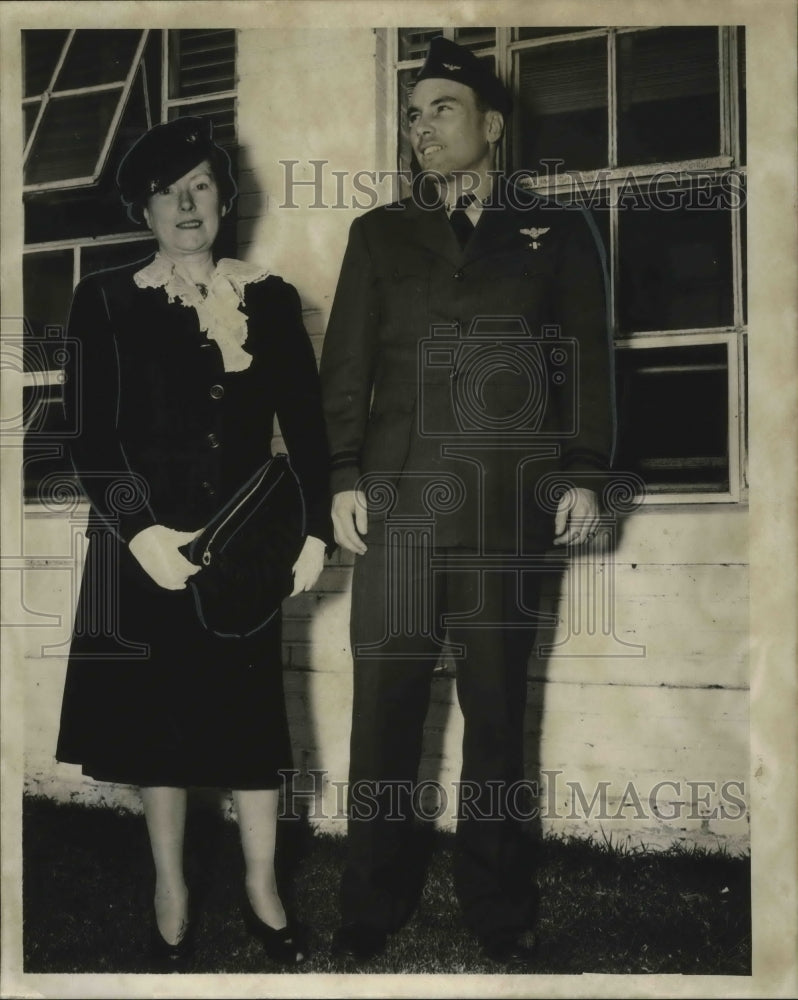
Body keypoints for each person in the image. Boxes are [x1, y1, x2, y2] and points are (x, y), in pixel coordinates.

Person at [320, 36, 614, 967]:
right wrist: (338, 477)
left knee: (493, 714)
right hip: (401, 505)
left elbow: (587, 365)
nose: (420, 126)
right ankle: (370, 899)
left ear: (490, 125)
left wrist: (582, 470)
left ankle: (496, 904)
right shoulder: (379, 235)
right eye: (411, 113)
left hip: (504, 507)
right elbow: (347, 369)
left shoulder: (557, 234)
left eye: (441, 108)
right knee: (385, 705)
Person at [55, 117, 332, 969]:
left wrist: (316, 528)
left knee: (248, 730)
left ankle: (262, 888)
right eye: (169, 189)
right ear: (143, 206)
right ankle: (169, 890)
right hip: (145, 553)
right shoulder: (103, 299)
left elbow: (309, 432)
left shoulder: (271, 299)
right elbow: (89, 439)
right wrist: (138, 533)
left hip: (242, 550)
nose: (186, 202)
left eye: (202, 185)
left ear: (224, 200)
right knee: (156, 732)